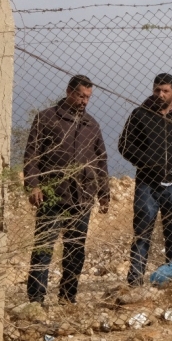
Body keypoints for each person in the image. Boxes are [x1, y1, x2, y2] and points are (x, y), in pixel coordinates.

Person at [22, 74, 109, 304]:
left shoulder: (92, 125)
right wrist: (33, 185)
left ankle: (68, 297)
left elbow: (101, 161)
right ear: (69, 91)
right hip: (51, 196)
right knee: (43, 248)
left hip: (81, 198)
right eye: (81, 95)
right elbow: (31, 155)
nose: (84, 101)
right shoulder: (47, 119)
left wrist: (105, 194)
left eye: (88, 97)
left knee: (75, 250)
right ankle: (36, 300)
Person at [118, 73, 172, 287]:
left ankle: (171, 280)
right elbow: (125, 146)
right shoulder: (140, 115)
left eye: (165, 91)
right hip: (147, 184)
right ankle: (135, 281)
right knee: (142, 233)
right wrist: (148, 162)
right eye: (157, 90)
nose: (160, 94)